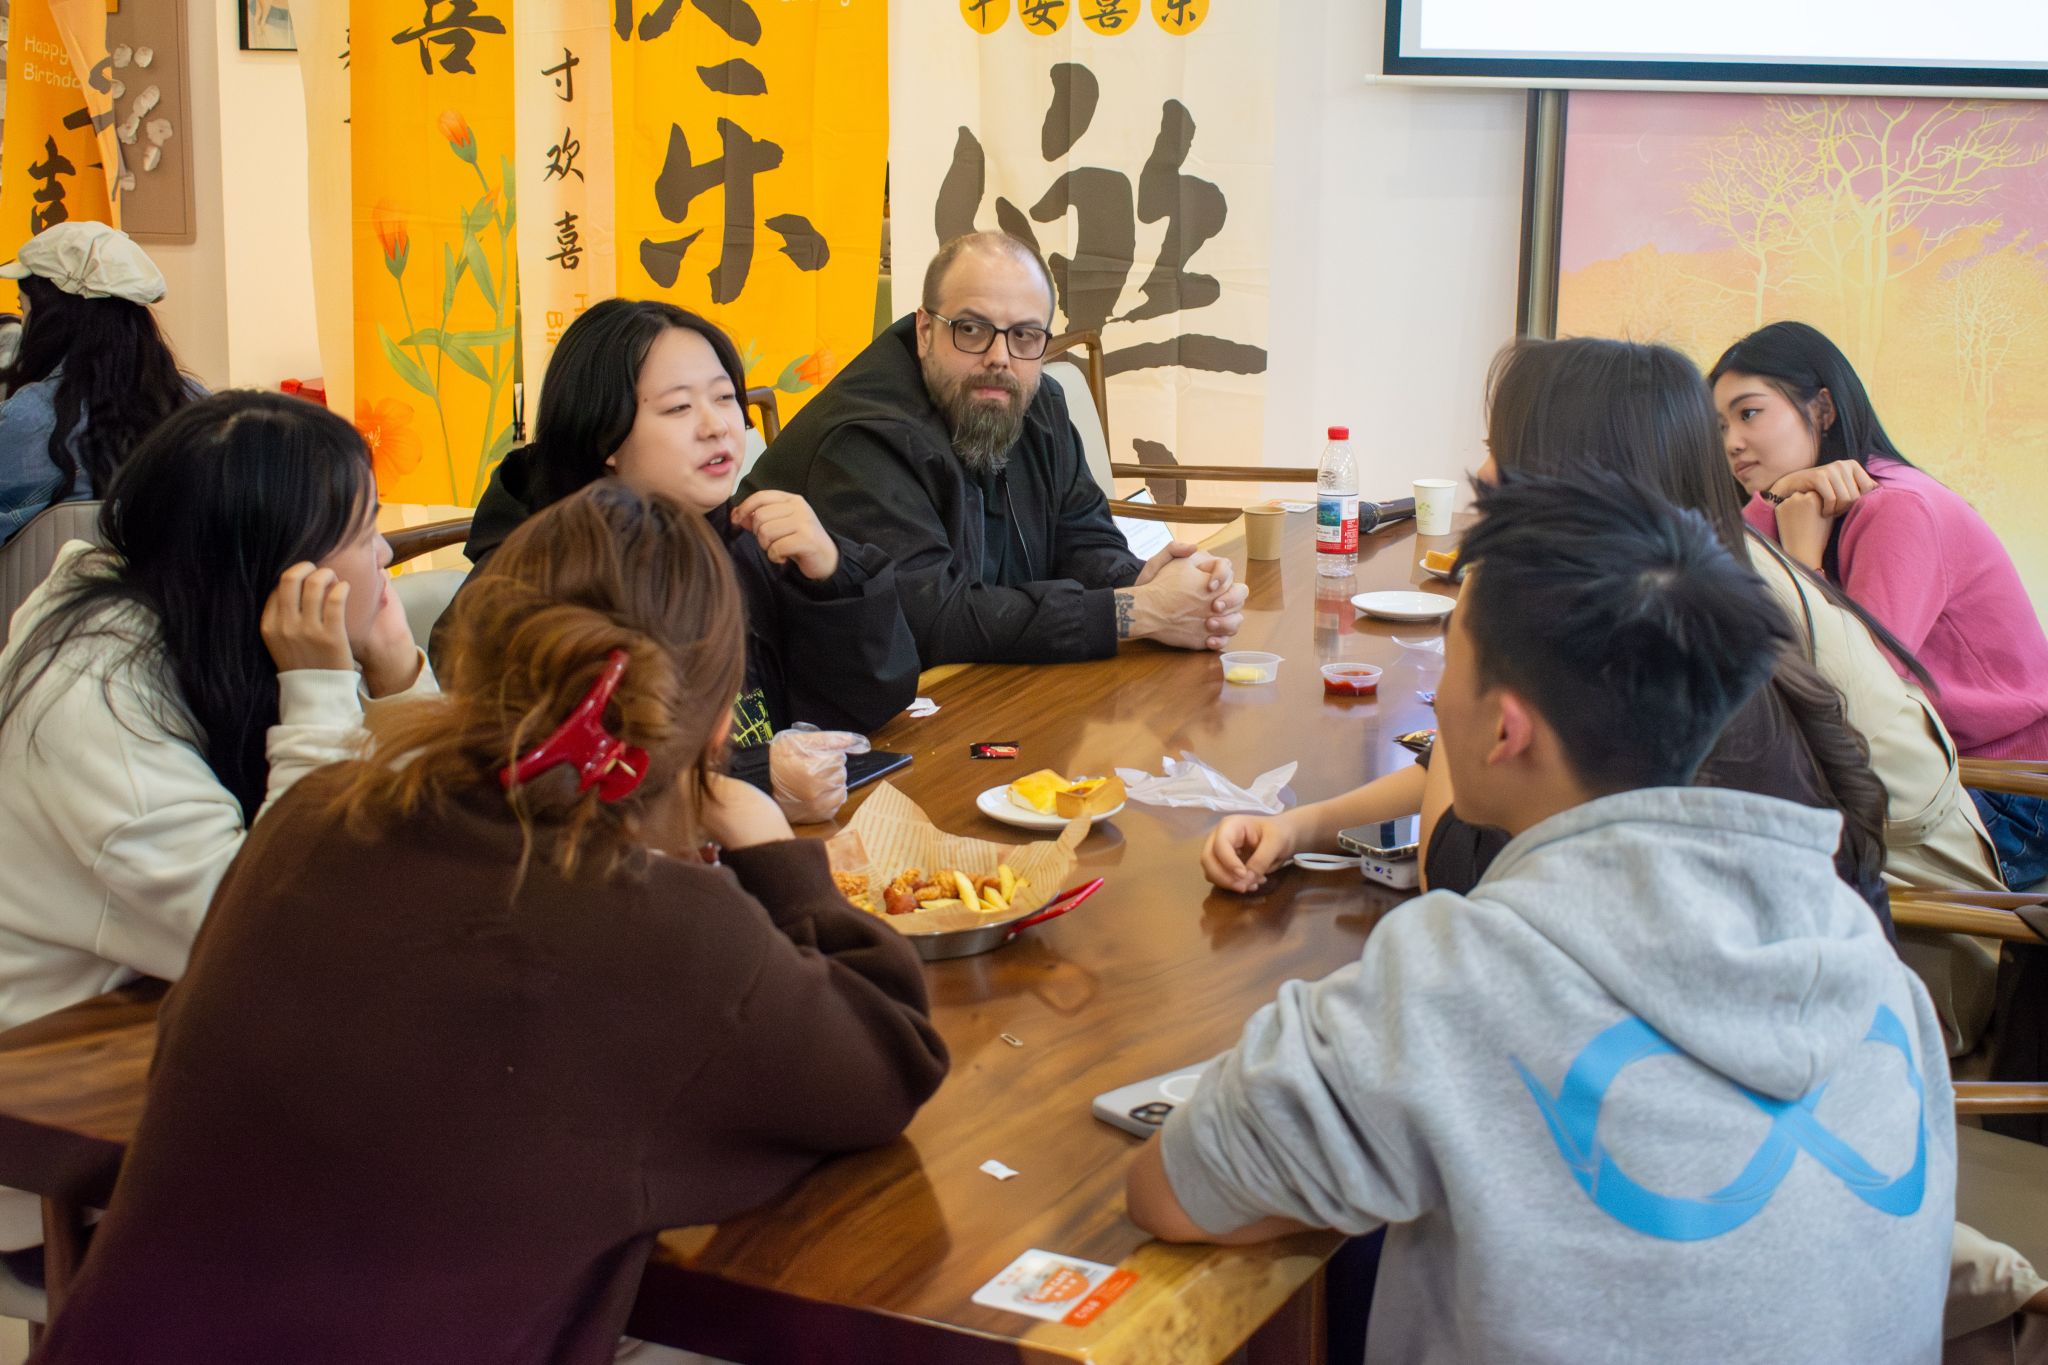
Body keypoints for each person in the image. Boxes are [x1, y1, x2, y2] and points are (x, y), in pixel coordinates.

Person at [28, 484, 949, 1364]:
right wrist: (776, 851)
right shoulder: (670, 933)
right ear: (715, 726)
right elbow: (889, 1059)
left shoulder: (312, 816)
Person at [1134, 473, 1955, 1364]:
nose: (1435, 699)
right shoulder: (1869, 959)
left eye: (1449, 661)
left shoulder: (1461, 978)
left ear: (1504, 730)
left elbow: (1174, 1188)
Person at [1205, 337, 1900, 936]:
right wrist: (1299, 828)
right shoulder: (1692, 619)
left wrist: (1479, 630)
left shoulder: (1670, 684)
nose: (1483, 474)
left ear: (1576, 476)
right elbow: (1483, 758)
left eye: (1502, 450)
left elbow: (1455, 870)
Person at [0, 391, 431, 1254]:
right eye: (365, 531)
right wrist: (320, 695)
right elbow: (279, 944)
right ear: (279, 569)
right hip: (64, 1147)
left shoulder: (208, 625)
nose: (386, 553)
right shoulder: (98, 703)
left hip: (186, 1054)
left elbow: (442, 849)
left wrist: (396, 673)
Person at [740, 231, 1247, 665]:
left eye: (1024, 336)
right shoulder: (865, 439)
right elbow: (930, 621)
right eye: (972, 329)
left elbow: (1083, 538)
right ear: (924, 331)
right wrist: (1138, 612)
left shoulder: (1038, 400)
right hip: (819, 722)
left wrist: (1152, 583)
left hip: (992, 690)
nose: (999, 357)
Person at [451, 299, 919, 745]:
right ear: (603, 434)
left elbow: (863, 708)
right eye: (679, 407)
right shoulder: (534, 585)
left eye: (724, 397)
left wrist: (833, 579)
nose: (717, 426)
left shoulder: (745, 537)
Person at [1711, 321, 2048, 889]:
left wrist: (1801, 558)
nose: (1732, 443)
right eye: (1720, 426)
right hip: (1914, 775)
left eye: (1749, 414)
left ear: (1822, 409)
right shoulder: (1780, 509)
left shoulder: (1900, 509)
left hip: (2009, 791)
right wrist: (1780, 509)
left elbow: (1845, 700)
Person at [0, 221, 199, 546]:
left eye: (24, 309)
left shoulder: (31, 417)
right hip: (167, 579)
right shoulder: (195, 405)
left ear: (51, 319)